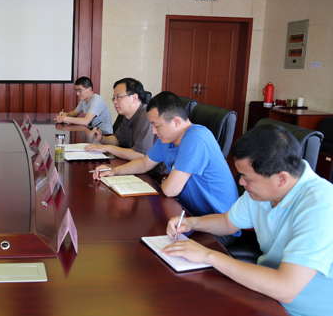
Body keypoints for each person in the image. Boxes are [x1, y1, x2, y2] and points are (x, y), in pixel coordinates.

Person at [163, 124, 333, 316]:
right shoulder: (263, 191)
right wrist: (192, 222)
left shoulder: (321, 205)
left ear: (281, 178)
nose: (241, 182)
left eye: (248, 178)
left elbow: (285, 288)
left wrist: (208, 255)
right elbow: (228, 222)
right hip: (265, 296)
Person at [93, 91, 239, 241]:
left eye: (156, 125)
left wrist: (164, 181)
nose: (153, 131)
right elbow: (144, 163)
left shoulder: (196, 138)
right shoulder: (168, 139)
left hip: (218, 227)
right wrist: (114, 171)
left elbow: (170, 189)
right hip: (188, 215)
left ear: (176, 122)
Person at [84, 78, 155, 160]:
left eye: (118, 97)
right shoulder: (128, 116)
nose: (114, 102)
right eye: (114, 98)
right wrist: (102, 139)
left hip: (152, 168)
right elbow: (118, 139)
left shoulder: (147, 117)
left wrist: (108, 148)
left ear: (134, 98)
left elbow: (140, 155)